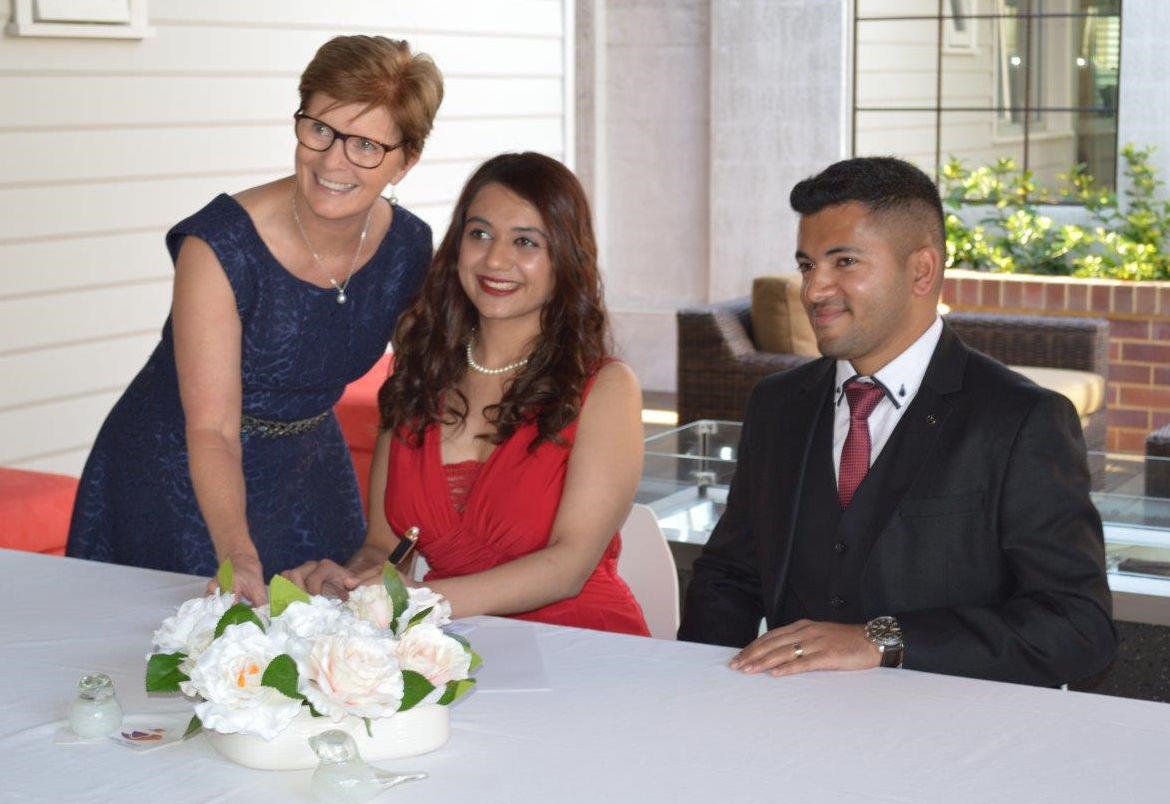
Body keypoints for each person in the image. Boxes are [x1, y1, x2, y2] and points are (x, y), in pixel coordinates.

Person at [677, 156, 1116, 686]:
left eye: (844, 262)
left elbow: (1077, 627)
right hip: (787, 715)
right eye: (807, 266)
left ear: (921, 270)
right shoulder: (778, 403)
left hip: (949, 725)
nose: (813, 290)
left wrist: (882, 640)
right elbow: (730, 576)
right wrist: (702, 689)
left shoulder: (1022, 419)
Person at [66, 35, 444, 604]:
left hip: (310, 465)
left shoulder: (409, 246)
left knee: (332, 630)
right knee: (200, 637)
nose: (332, 160)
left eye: (366, 144)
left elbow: (413, 397)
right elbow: (212, 429)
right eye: (320, 129)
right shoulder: (219, 245)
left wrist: (386, 537)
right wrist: (238, 553)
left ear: (406, 161)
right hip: (181, 469)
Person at [285, 152, 650, 636]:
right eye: (479, 234)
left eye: (525, 241)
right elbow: (385, 546)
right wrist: (351, 584)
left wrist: (421, 600)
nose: (495, 259)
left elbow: (570, 567)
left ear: (565, 257)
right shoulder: (417, 376)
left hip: (584, 644)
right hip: (449, 645)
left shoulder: (605, 387)